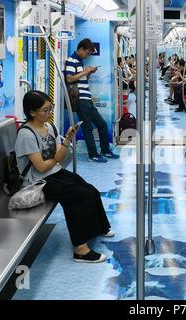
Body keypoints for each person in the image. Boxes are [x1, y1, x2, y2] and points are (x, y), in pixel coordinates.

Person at [15, 91, 116, 263]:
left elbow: (58, 159)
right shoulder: (26, 135)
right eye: (45, 110)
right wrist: (55, 159)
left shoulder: (50, 127)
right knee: (78, 197)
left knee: (90, 190)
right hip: (37, 182)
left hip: (53, 172)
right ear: (32, 112)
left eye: (50, 109)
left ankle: (100, 227)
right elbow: (40, 166)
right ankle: (81, 250)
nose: (49, 113)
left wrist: (68, 138)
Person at [65, 38, 118, 163]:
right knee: (87, 128)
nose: (87, 55)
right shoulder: (71, 61)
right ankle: (93, 154)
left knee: (102, 124)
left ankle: (105, 151)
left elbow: (82, 80)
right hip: (80, 100)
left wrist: (89, 73)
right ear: (81, 49)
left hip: (86, 98)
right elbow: (69, 79)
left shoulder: (80, 62)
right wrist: (85, 71)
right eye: (87, 53)